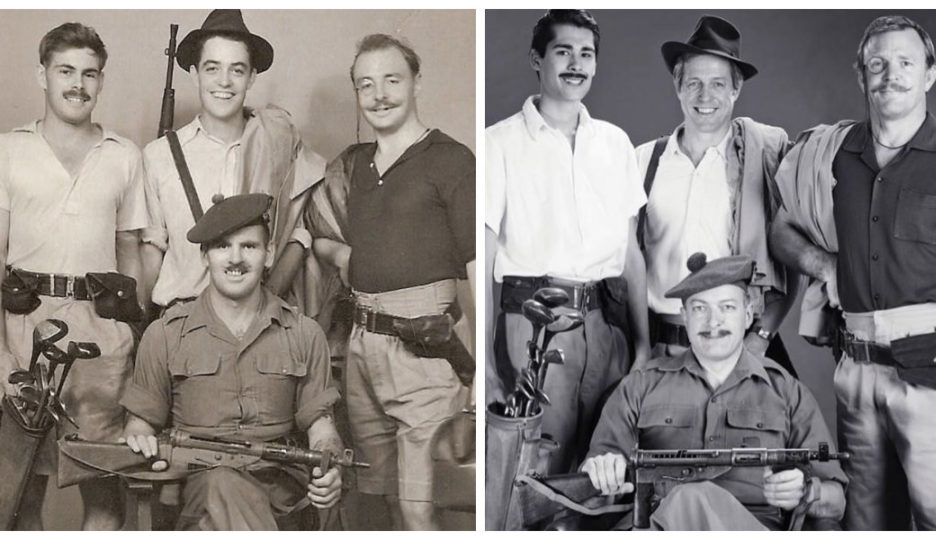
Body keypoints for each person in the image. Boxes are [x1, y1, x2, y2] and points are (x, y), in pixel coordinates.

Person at [770, 15, 936, 530]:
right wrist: (822, 262)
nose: (890, 74)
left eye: (905, 62)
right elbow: (781, 228)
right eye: (877, 63)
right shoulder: (834, 155)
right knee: (865, 524)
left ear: (930, 74)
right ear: (861, 75)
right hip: (854, 374)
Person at [301, 33, 474, 530]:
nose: (379, 95)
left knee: (421, 509)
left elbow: (479, 262)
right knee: (374, 502)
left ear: (417, 81)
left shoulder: (451, 159)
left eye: (392, 80)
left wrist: (483, 366)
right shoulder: (353, 165)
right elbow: (316, 234)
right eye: (366, 85)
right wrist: (345, 254)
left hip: (425, 348)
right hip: (360, 347)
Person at [485, 9, 649, 475]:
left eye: (587, 54)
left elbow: (630, 253)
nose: (576, 64)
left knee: (602, 468)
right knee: (538, 471)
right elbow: (486, 257)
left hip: (605, 325)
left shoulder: (614, 144)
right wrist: (490, 372)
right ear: (537, 60)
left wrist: (641, 347)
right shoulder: (499, 144)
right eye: (563, 52)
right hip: (536, 325)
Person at [119, 193, 343, 530]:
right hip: (195, 486)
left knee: (225, 495)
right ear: (204, 255)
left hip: (279, 489)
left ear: (268, 255)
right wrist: (138, 437)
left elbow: (322, 427)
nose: (235, 259)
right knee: (221, 482)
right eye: (223, 246)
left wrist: (330, 466)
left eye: (249, 247)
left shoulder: (303, 333)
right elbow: (139, 424)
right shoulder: (165, 334)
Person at [0, 22, 146, 530]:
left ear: (101, 81)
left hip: (99, 335)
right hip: (25, 332)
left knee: (103, 483)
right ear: (42, 75)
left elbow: (130, 248)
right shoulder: (8, 151)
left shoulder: (124, 154)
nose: (78, 84)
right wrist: (0, 353)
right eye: (66, 71)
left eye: (90, 74)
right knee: (19, 491)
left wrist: (127, 329)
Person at [582, 254, 846, 530]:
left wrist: (806, 492)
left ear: (747, 316)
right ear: (684, 317)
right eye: (699, 309)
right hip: (658, 522)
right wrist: (602, 469)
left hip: (752, 525)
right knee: (685, 500)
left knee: (691, 497)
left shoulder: (786, 392)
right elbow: (595, 475)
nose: (713, 322)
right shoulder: (640, 386)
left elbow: (837, 502)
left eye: (727, 307)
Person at [638, 15, 797, 375]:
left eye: (717, 84)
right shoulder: (643, 161)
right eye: (693, 83)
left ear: (735, 89)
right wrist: (640, 349)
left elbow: (790, 264)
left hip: (739, 347)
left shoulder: (765, 158)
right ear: (677, 87)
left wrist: (760, 338)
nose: (704, 96)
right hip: (660, 349)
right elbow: (627, 264)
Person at [141, 9, 325, 315]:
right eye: (212, 68)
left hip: (259, 323)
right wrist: (139, 320)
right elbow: (152, 247)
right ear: (194, 73)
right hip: (181, 324)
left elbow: (300, 228)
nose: (224, 81)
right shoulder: (158, 155)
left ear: (251, 77)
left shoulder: (277, 141)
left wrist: (272, 298)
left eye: (237, 70)